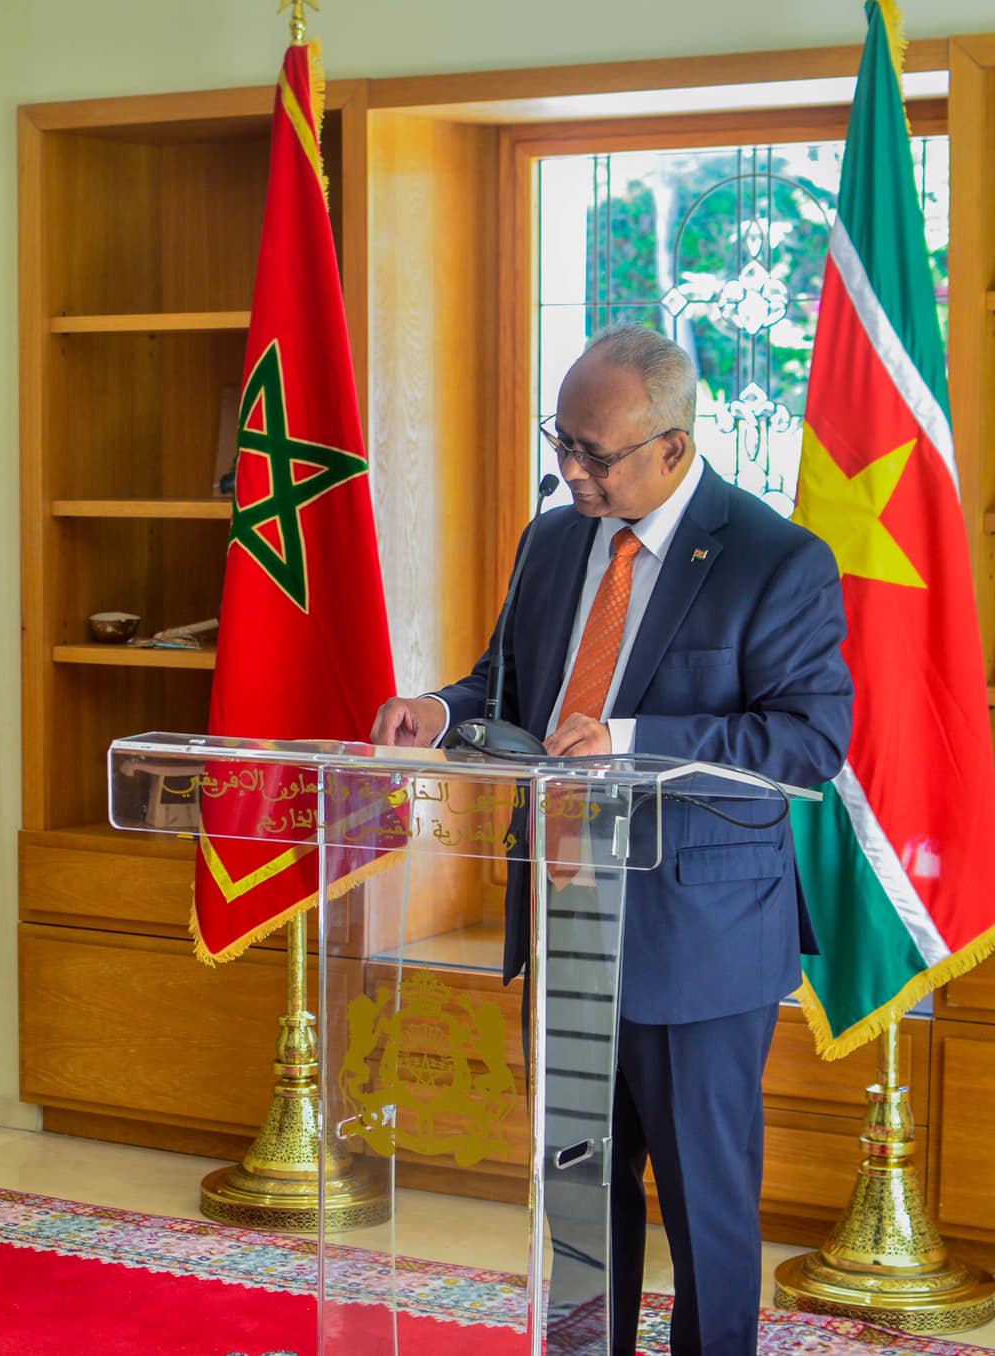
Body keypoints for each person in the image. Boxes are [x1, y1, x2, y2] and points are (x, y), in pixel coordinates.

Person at [371, 325, 852, 1356]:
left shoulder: (776, 559)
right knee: (580, 1194)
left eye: (595, 453)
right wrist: (438, 711)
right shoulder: (550, 539)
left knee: (702, 1210)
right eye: (562, 443)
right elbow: (506, 681)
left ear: (671, 447)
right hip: (561, 911)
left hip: (695, 933)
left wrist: (629, 741)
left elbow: (806, 741)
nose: (571, 471)